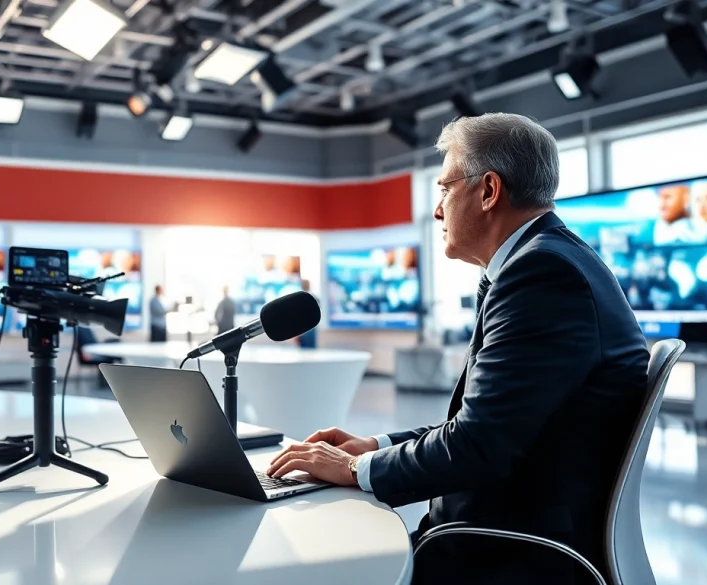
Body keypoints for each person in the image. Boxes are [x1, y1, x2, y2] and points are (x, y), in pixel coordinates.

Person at [267, 113, 650, 585]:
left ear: (489, 191)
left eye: (445, 187)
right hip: (502, 529)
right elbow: (482, 426)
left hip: (507, 551)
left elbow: (478, 447)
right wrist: (375, 446)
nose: (437, 210)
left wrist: (352, 467)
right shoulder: (548, 261)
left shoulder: (544, 276)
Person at [297, 280, 317, 349]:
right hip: (306, 326)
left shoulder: (299, 298)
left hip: (307, 327)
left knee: (307, 347)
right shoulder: (311, 297)